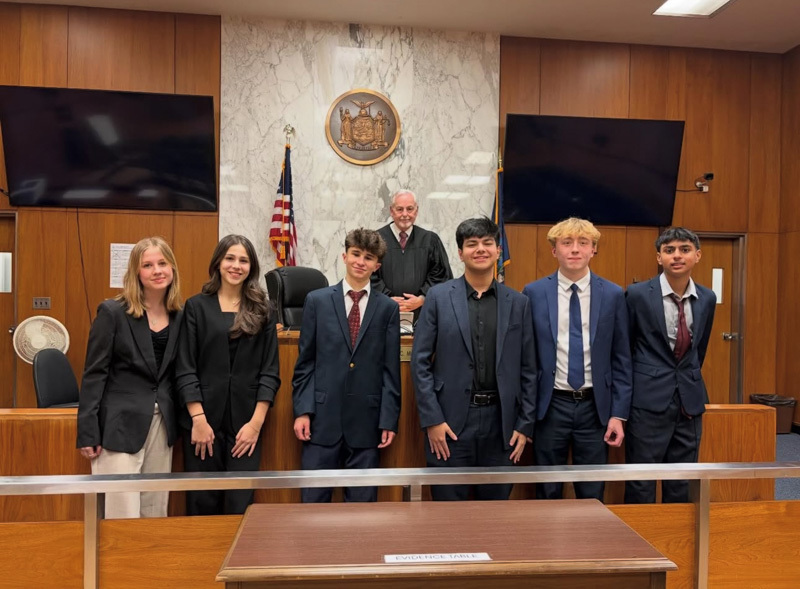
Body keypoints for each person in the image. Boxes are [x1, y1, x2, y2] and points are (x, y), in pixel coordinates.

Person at [412, 217, 536, 501]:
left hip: (502, 424)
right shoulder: (438, 297)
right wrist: (432, 420)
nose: (480, 249)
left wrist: (524, 424)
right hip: (450, 424)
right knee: (448, 509)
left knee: (494, 514)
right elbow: (420, 363)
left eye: (487, 243)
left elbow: (529, 369)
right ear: (460, 253)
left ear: (497, 250)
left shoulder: (518, 302)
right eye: (472, 244)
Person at [522, 218, 632, 501]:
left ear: (593, 250)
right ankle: (545, 545)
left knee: (592, 490)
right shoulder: (533, 293)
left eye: (583, 243)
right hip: (549, 407)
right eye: (566, 243)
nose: (575, 249)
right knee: (547, 488)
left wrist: (618, 415)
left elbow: (621, 358)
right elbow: (525, 358)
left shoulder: (613, 294)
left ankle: (591, 546)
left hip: (595, 409)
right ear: (553, 251)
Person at [77, 236, 183, 519]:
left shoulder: (180, 316)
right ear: (137, 272)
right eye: (148, 265)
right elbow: (94, 373)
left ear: (172, 268)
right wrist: (88, 430)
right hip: (119, 426)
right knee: (121, 512)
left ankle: (149, 564)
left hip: (162, 425)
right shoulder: (112, 312)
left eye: (162, 263)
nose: (157, 270)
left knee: (155, 508)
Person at [292, 228, 401, 503]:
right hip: (320, 421)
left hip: (367, 424)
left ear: (377, 265)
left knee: (362, 511)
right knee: (313, 506)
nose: (360, 262)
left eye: (368, 257)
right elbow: (305, 363)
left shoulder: (388, 308)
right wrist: (303, 410)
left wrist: (389, 418)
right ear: (344, 255)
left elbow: (391, 370)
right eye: (355, 254)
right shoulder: (317, 301)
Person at [176, 234, 280, 515]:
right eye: (230, 258)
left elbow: (270, 373)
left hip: (246, 426)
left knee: (239, 503)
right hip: (202, 424)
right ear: (218, 263)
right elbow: (185, 368)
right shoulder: (196, 307)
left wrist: (255, 425)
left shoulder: (264, 310)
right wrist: (198, 419)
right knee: (202, 502)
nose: (236, 266)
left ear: (252, 267)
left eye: (244, 260)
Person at [625, 227, 716, 504]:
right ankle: (639, 545)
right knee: (641, 479)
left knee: (682, 479)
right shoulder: (637, 294)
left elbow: (699, 350)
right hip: (647, 401)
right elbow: (627, 347)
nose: (677, 256)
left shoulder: (707, 297)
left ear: (697, 255)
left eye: (684, 249)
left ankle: (676, 545)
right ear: (659, 257)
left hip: (688, 401)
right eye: (669, 250)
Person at [372, 190, 452, 318]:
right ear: (391, 211)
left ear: (417, 210)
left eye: (410, 209)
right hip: (383, 313)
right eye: (399, 209)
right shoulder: (375, 240)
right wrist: (386, 298)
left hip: (423, 314)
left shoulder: (430, 240)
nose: (405, 214)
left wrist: (422, 298)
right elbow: (367, 274)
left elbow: (441, 275)